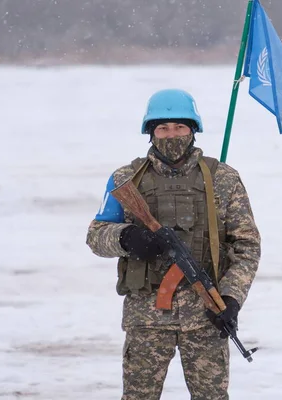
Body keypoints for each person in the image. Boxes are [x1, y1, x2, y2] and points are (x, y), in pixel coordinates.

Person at [86, 88, 261, 400]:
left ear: (193, 130)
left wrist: (230, 299)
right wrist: (127, 237)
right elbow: (97, 235)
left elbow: (246, 246)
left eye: (180, 127)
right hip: (146, 317)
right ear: (150, 132)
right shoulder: (126, 179)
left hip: (207, 316)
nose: (171, 135)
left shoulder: (223, 178)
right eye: (162, 128)